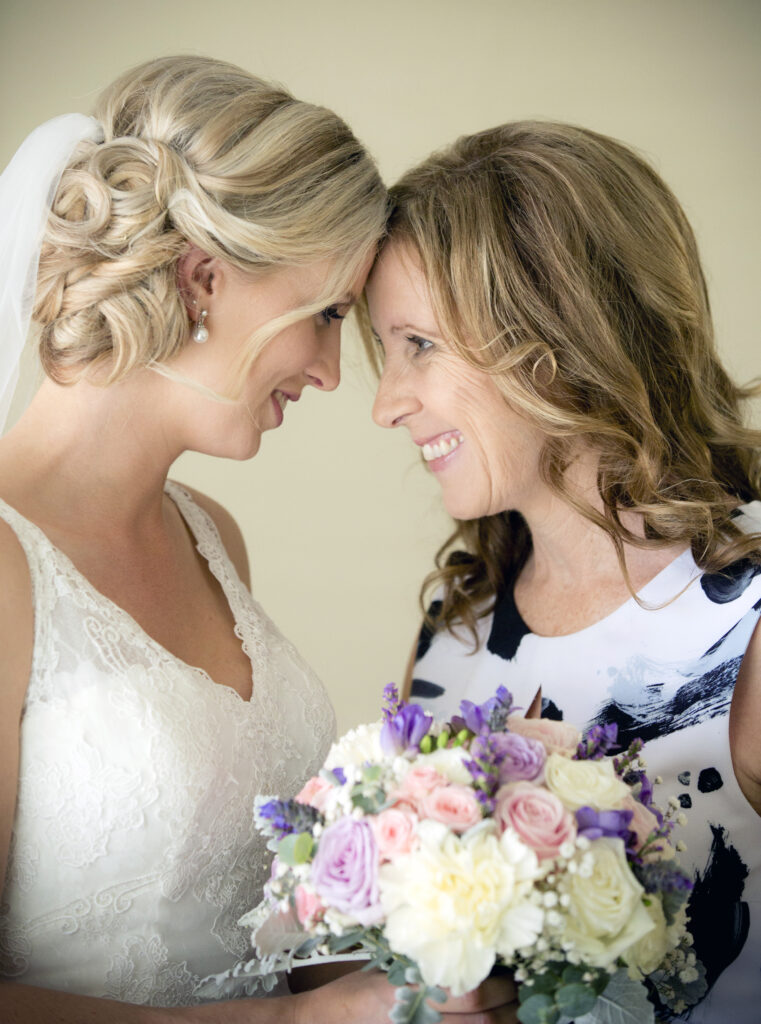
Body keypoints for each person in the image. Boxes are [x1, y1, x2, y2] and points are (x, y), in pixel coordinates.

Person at [0, 56, 517, 1023]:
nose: (330, 373)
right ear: (202, 278)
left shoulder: (213, 539)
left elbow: (256, 913)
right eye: (324, 315)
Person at [364, 120, 761, 1022]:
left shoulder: (747, 615)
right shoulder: (455, 631)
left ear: (555, 335)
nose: (386, 402)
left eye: (418, 344)